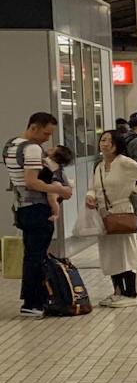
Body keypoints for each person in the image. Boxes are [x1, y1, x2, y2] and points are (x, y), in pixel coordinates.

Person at [87, 128, 137, 307]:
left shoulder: (124, 162)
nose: (103, 143)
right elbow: (92, 187)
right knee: (110, 253)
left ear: (116, 145)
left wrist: (134, 190)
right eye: (102, 140)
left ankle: (131, 293)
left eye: (107, 141)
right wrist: (90, 196)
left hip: (122, 210)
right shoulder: (99, 165)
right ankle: (117, 291)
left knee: (125, 251)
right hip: (104, 214)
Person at [8, 112, 65, 316]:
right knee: (36, 256)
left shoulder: (12, 144)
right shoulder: (32, 148)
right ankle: (33, 303)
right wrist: (61, 191)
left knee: (31, 255)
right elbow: (32, 182)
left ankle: (30, 301)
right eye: (46, 133)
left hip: (22, 208)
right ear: (33, 128)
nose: (48, 138)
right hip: (37, 208)